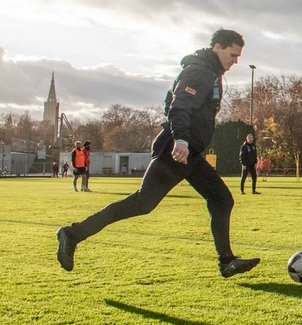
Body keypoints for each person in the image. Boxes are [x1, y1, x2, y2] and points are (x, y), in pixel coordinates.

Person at [54, 29, 259, 277]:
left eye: (238, 57)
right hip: (175, 150)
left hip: (191, 154)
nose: (235, 61)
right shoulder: (200, 72)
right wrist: (180, 138)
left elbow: (170, 102)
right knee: (142, 203)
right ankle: (71, 234)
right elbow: (178, 106)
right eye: (232, 55)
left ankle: (226, 261)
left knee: (222, 199)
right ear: (217, 47)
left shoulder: (209, 73)